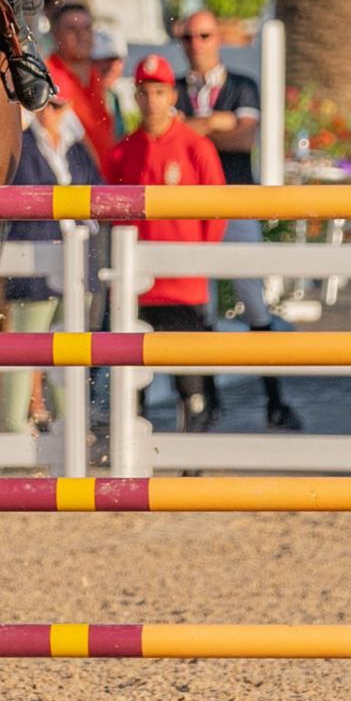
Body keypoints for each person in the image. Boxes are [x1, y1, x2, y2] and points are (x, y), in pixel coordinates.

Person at [180, 9, 300, 431]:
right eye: (189, 36)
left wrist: (195, 128)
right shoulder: (175, 89)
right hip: (190, 209)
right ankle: (208, 406)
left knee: (253, 301)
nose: (196, 44)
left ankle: (274, 402)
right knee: (202, 307)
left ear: (218, 39)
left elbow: (244, 137)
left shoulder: (242, 85)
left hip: (236, 202)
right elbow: (171, 137)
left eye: (204, 35)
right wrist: (217, 123)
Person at [107, 56, 225, 432]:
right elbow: (107, 213)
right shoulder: (123, 151)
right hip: (135, 287)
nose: (152, 100)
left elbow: (218, 213)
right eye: (144, 92)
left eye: (159, 91)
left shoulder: (195, 147)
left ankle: (192, 468)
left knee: (190, 385)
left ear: (172, 94)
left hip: (182, 290)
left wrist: (193, 263)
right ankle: (130, 466)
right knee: (130, 387)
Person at [3, 80, 105, 433]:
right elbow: (15, 199)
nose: (51, 112)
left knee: (71, 351)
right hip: (33, 261)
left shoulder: (77, 150)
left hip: (77, 261)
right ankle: (13, 429)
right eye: (45, 104)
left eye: (58, 105)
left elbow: (101, 194)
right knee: (25, 350)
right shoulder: (20, 145)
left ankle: (72, 426)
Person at [47, 2, 117, 159]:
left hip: (103, 179)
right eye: (71, 29)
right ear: (56, 34)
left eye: (86, 28)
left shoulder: (98, 77)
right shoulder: (46, 76)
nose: (81, 35)